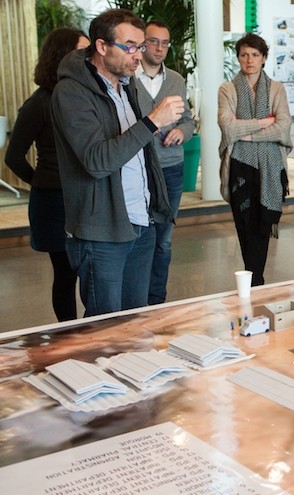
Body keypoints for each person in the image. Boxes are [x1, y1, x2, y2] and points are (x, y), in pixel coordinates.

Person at [51, 9, 183, 317]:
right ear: (101, 47)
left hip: (141, 221)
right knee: (105, 327)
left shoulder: (127, 86)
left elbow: (137, 155)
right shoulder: (70, 92)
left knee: (135, 321)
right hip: (102, 231)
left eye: (140, 46)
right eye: (130, 47)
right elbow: (97, 160)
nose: (139, 55)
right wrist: (151, 122)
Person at [4, 28, 89, 321]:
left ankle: (92, 330)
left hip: (84, 196)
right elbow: (13, 157)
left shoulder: (86, 93)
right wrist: (43, 183)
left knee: (91, 270)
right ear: (62, 55)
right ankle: (69, 333)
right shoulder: (40, 101)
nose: (89, 57)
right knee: (66, 275)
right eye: (82, 51)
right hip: (54, 203)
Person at [218, 33, 292, 286]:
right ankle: (254, 280)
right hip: (240, 166)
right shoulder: (227, 89)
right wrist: (262, 123)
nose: (249, 60)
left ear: (264, 58)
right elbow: (227, 128)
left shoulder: (276, 89)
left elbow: (283, 127)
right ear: (238, 57)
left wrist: (246, 134)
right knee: (244, 226)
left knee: (262, 225)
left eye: (255, 55)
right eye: (244, 55)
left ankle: (254, 281)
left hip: (271, 167)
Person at [135, 20, 195, 305]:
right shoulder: (127, 78)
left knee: (164, 239)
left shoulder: (176, 80)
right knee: (138, 237)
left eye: (165, 43)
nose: (159, 48)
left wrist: (181, 132)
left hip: (170, 168)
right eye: (154, 41)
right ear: (142, 43)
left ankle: (156, 300)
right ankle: (136, 300)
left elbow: (188, 121)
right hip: (138, 168)